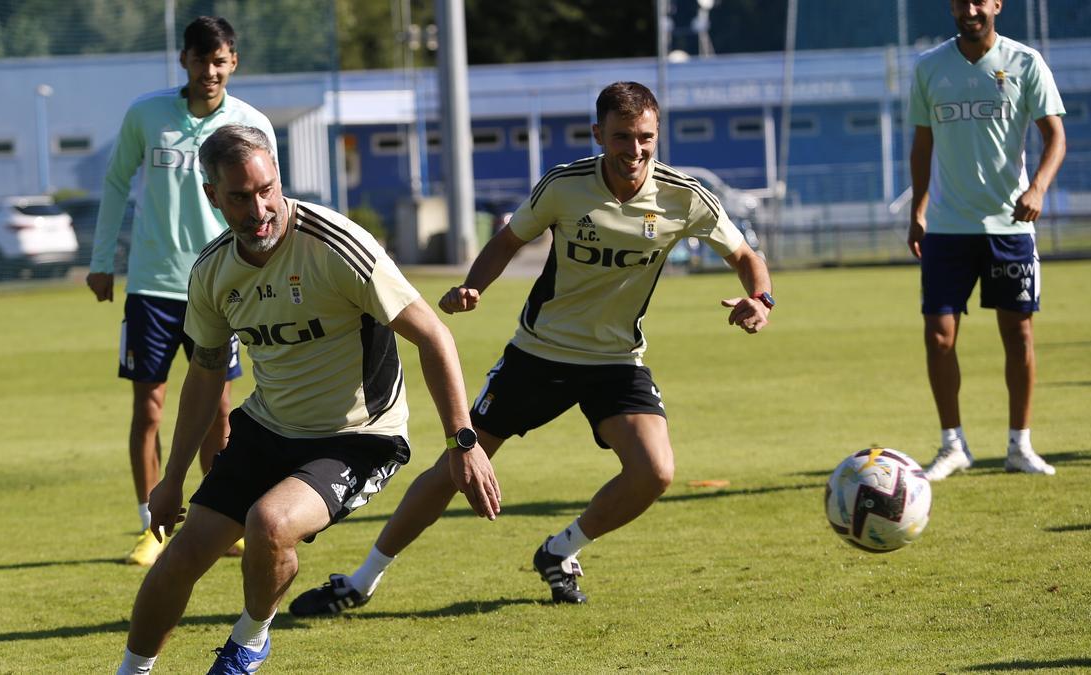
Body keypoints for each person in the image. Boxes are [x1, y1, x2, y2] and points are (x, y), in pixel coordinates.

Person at [290, 81, 773, 614]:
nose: (633, 150)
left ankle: (560, 551)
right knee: (458, 466)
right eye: (621, 137)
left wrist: (762, 298)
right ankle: (360, 581)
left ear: (657, 136)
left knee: (655, 472)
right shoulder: (564, 186)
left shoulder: (683, 197)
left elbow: (746, 254)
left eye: (644, 138)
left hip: (616, 362)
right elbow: (508, 241)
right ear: (598, 135)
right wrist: (475, 286)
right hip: (538, 356)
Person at [114, 125, 500, 675]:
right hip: (269, 428)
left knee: (269, 524)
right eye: (241, 198)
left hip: (359, 436)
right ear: (212, 197)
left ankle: (248, 642)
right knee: (181, 558)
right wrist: (172, 478)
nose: (260, 208)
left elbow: (435, 337)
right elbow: (204, 378)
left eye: (267, 189)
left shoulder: (336, 245)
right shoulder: (213, 272)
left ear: (278, 176)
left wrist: (463, 441)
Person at [86, 17, 277, 565]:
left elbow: (269, 200)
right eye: (201, 61)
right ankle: (152, 526)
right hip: (151, 286)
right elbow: (117, 181)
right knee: (148, 409)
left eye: (220, 61)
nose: (210, 72)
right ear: (184, 61)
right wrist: (102, 261)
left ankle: (218, 519)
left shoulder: (251, 123)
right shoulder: (146, 114)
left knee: (219, 411)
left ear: (233, 62)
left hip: (221, 287)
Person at [907, 0, 1066, 481]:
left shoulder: (1025, 62)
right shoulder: (928, 67)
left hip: (1010, 227)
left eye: (980, 0)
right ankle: (952, 444)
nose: (970, 9)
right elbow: (922, 144)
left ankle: (1020, 445)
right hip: (947, 228)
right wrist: (918, 210)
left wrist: (1037, 187)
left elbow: (1055, 136)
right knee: (938, 337)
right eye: (961, 2)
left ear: (997, 4)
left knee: (1018, 337)